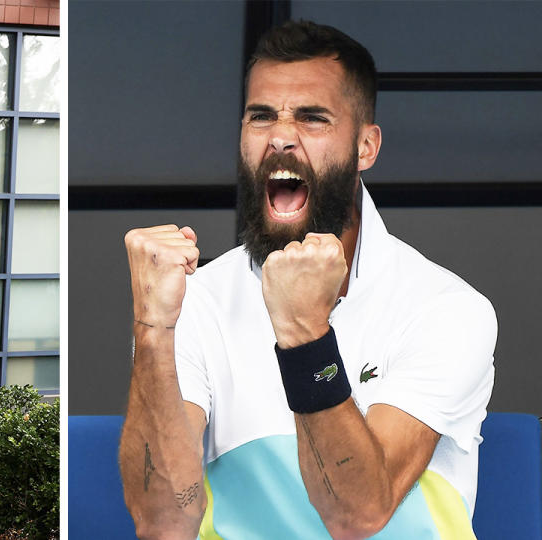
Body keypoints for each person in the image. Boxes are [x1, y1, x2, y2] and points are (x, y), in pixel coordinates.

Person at [120, 20, 496, 540]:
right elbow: (163, 523)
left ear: (366, 147)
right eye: (261, 116)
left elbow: (357, 516)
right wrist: (153, 329)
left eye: (312, 118)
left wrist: (303, 335)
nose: (280, 136)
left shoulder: (447, 308)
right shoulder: (195, 299)